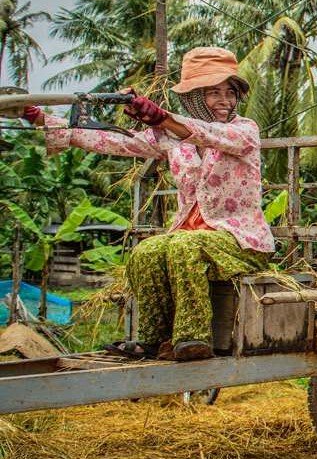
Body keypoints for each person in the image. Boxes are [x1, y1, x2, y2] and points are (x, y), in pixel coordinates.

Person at [18, 47, 273, 361]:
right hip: (190, 236)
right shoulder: (172, 139)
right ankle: (153, 340)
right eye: (214, 93)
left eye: (230, 93)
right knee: (146, 251)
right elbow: (117, 140)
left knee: (183, 246)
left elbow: (207, 133)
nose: (225, 101)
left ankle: (193, 338)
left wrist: (160, 117)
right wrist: (40, 118)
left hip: (240, 242)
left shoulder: (244, 130)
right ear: (193, 97)